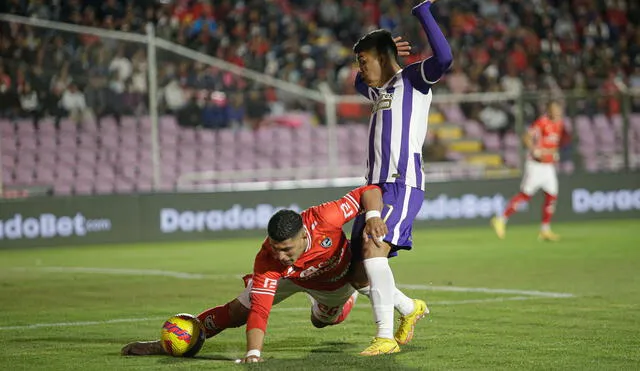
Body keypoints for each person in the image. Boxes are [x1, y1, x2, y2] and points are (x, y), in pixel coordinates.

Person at [121, 185, 389, 363]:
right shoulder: (268, 260)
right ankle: (172, 343)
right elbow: (260, 311)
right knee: (238, 311)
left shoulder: (326, 217)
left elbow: (369, 191)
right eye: (275, 247)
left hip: (332, 281)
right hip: (288, 277)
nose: (280, 255)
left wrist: (374, 216)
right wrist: (253, 353)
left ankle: (338, 303)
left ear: (302, 236)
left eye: (286, 249)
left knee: (322, 321)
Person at [349, 0, 453, 356]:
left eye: (364, 61)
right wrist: (382, 48)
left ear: (382, 58)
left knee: (373, 249)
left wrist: (423, 12)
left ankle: (384, 337)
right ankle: (410, 308)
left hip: (400, 182)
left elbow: (444, 59)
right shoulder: (377, 90)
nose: (360, 70)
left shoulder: (412, 79)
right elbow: (354, 82)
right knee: (358, 276)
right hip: (372, 191)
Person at [491, 101, 565, 241]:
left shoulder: (559, 124)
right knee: (525, 195)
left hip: (548, 166)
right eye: (554, 109)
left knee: (552, 196)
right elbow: (526, 137)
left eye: (558, 109)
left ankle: (545, 230)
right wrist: (534, 149)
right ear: (548, 111)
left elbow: (554, 143)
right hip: (536, 166)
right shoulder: (542, 122)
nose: (557, 112)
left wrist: (553, 153)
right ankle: (501, 219)